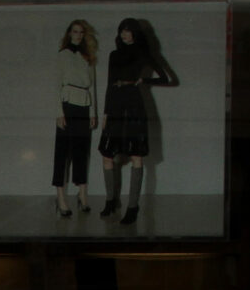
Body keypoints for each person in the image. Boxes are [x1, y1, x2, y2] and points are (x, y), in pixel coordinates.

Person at [98, 18, 177, 228]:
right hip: (115, 104)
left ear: (135, 33)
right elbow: (109, 83)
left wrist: (143, 81)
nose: (124, 34)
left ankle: (132, 206)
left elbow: (167, 78)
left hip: (133, 104)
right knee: (107, 154)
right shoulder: (114, 55)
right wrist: (105, 113)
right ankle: (110, 200)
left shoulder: (143, 53)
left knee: (136, 156)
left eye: (128, 31)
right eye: (122, 30)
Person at [52, 20, 98, 219]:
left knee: (82, 151)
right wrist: (59, 112)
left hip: (84, 106)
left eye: (81, 32)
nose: (78, 35)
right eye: (75, 31)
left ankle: (82, 194)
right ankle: (60, 197)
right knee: (63, 153)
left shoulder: (87, 58)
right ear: (69, 33)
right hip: (68, 105)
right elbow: (55, 85)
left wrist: (93, 112)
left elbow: (93, 87)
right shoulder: (63, 56)